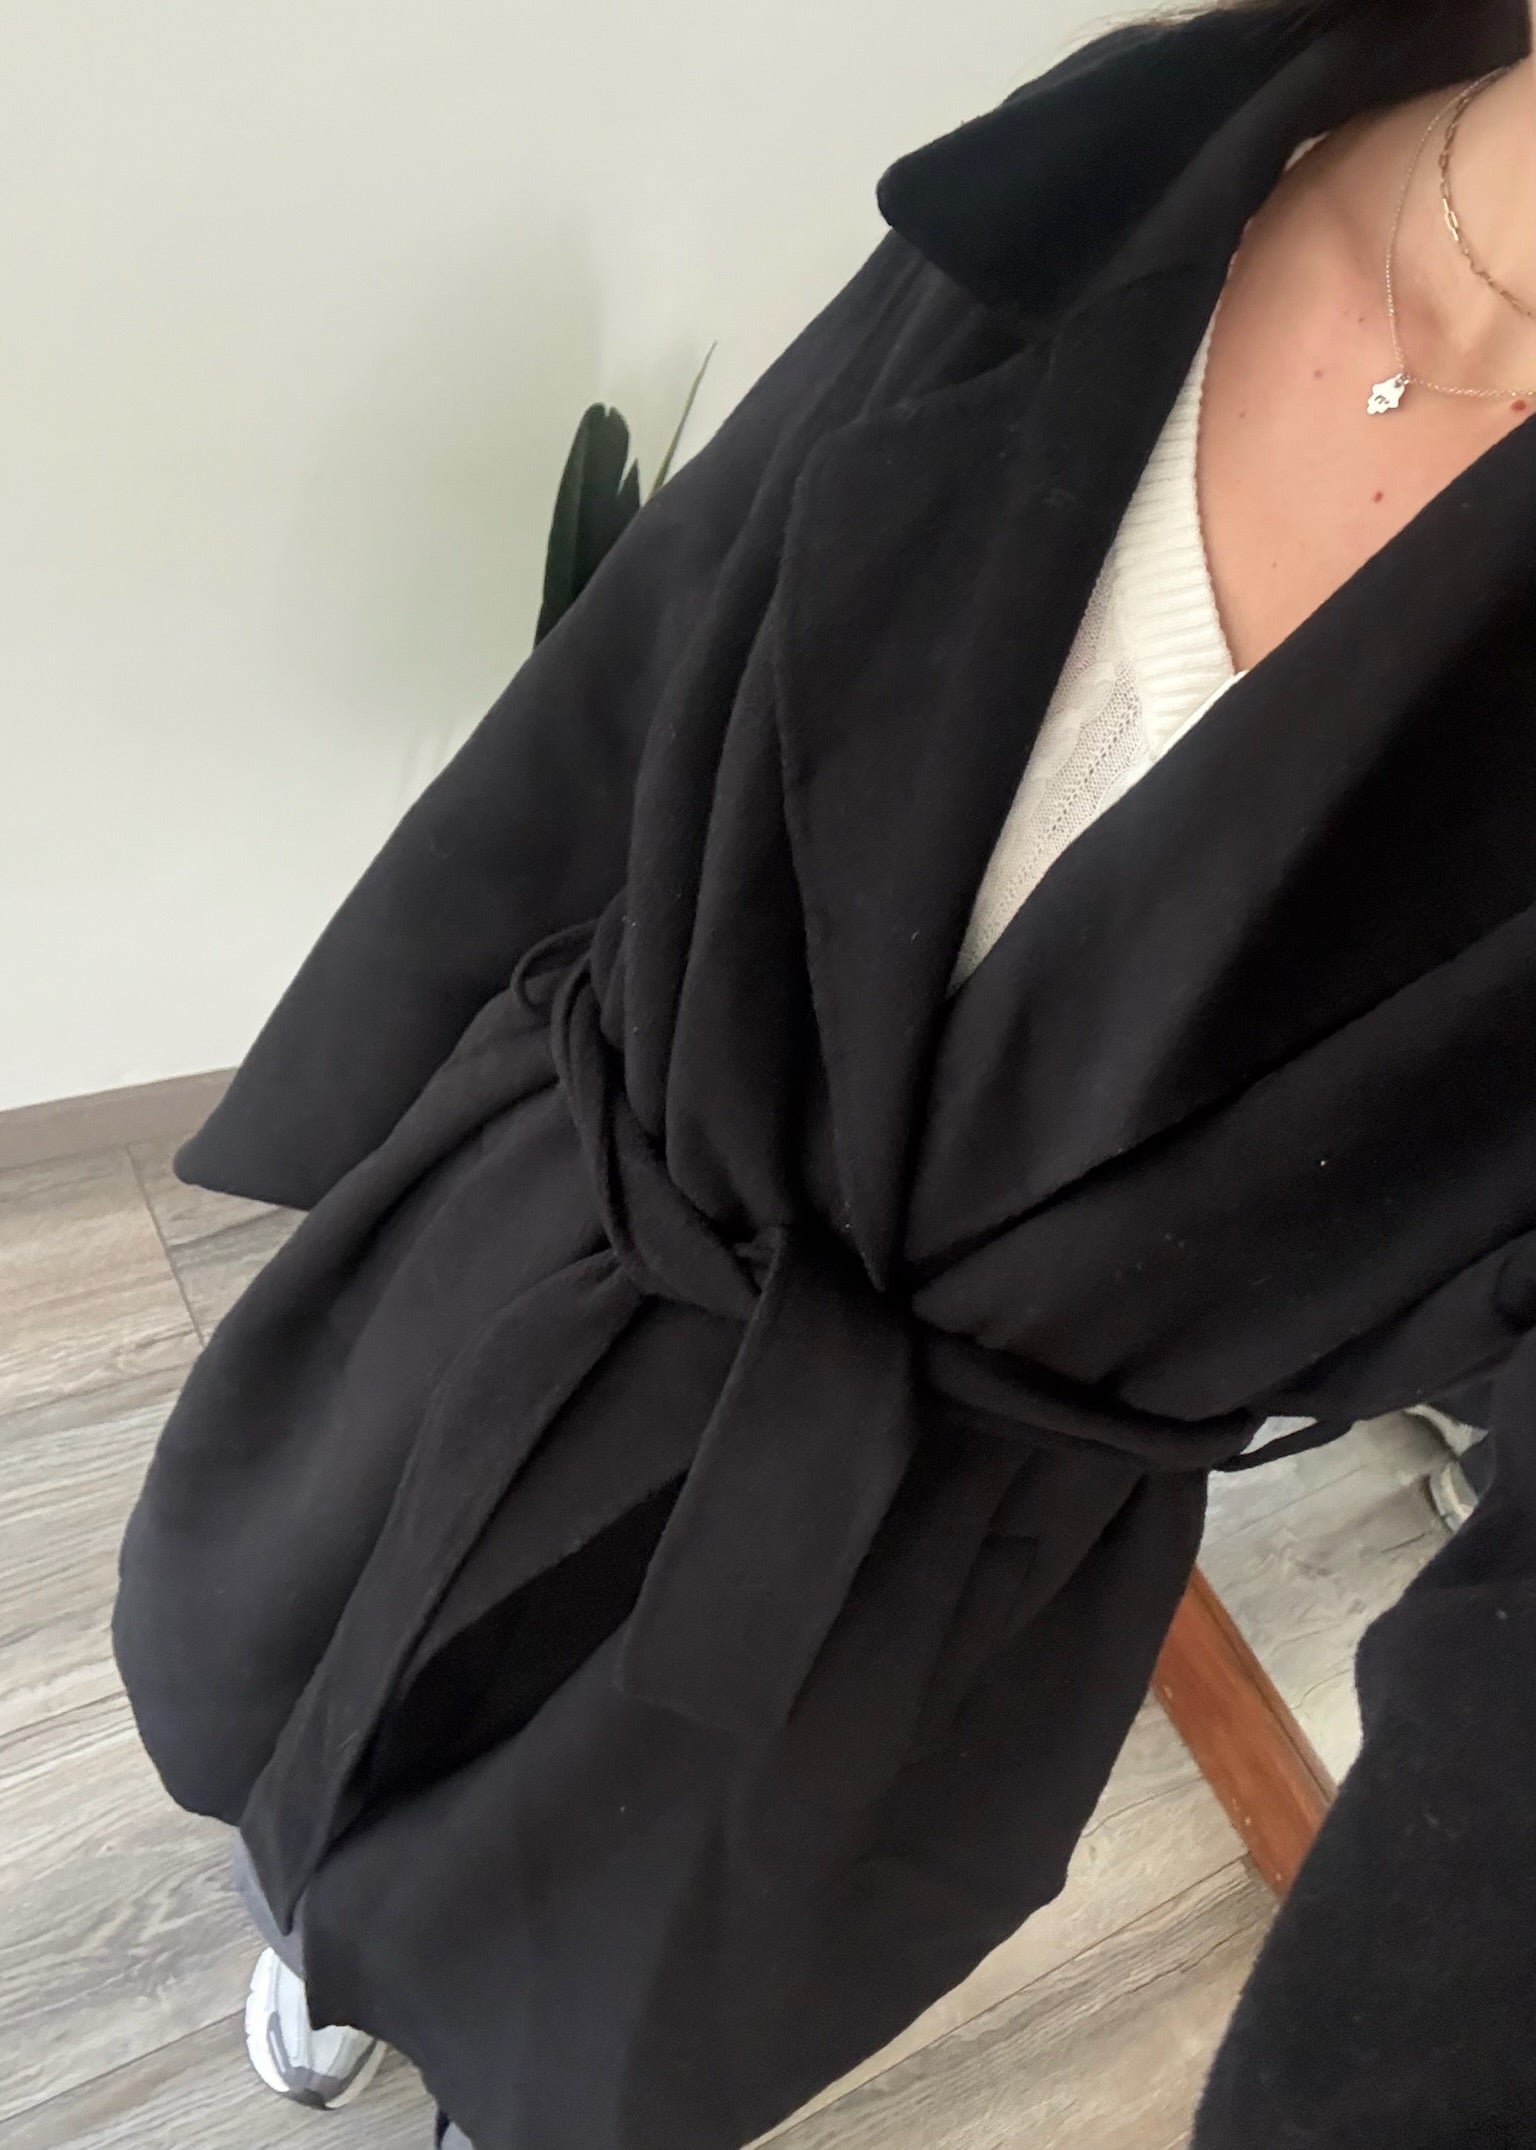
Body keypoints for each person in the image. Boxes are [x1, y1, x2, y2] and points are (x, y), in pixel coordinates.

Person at [113, 0, 1536, 2144]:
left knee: (601, 1975)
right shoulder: (1169, 140)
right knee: (316, 1700)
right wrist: (369, 1102)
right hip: (563, 1235)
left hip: (921, 1542)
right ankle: (318, 1947)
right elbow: (659, 633)